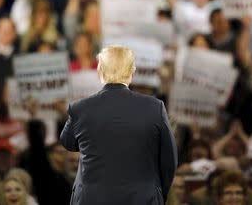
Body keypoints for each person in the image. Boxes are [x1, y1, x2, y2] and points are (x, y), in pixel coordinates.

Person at [60, 45, 177, 204]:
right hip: (143, 199)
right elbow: (169, 160)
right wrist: (156, 192)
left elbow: (68, 142)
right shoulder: (155, 108)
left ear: (100, 70)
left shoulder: (80, 108)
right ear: (132, 71)